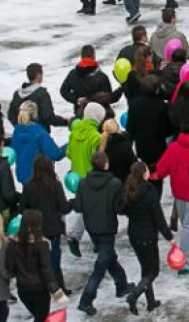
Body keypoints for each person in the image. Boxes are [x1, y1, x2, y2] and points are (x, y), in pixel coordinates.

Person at [75, 152, 131, 315]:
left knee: (108, 258)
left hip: (92, 228)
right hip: (107, 228)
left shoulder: (83, 183)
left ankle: (122, 285)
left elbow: (78, 207)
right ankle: (86, 300)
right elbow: (118, 209)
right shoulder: (115, 183)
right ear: (106, 164)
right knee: (100, 266)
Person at [153, 116, 189, 275]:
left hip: (178, 192)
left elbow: (162, 168)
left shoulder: (173, 148)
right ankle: (185, 263)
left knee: (188, 223)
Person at [121, 162, 172, 314]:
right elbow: (158, 217)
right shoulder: (149, 191)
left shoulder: (129, 190)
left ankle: (151, 302)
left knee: (145, 269)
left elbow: (122, 209)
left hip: (134, 235)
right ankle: (134, 295)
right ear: (144, 173)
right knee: (153, 270)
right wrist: (169, 236)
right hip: (148, 236)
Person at [19, 155, 71, 296]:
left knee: (37, 261)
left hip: (35, 231)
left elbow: (22, 208)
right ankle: (58, 287)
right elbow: (64, 207)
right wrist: (73, 203)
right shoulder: (55, 185)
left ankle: (41, 287)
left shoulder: (28, 186)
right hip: (53, 229)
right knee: (54, 262)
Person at [5, 210, 67, 321]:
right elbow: (46, 269)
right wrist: (56, 292)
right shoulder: (41, 244)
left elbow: (9, 268)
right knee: (41, 318)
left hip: (23, 289)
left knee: (38, 317)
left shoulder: (12, 244)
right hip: (40, 291)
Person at [64, 101, 106, 258]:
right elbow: (98, 158)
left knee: (87, 208)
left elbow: (68, 154)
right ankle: (86, 239)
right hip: (91, 177)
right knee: (94, 210)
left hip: (76, 177)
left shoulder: (74, 133)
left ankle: (83, 238)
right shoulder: (96, 137)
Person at [125, 75, 171, 186]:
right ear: (157, 90)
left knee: (143, 173)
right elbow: (165, 131)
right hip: (157, 147)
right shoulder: (162, 107)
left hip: (141, 146)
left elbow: (130, 127)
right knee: (156, 177)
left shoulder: (134, 105)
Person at [10, 102, 65, 186]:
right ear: (35, 114)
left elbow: (14, 150)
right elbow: (55, 154)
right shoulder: (39, 133)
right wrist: (69, 145)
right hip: (39, 177)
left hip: (23, 175)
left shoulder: (17, 131)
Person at [8, 64, 68, 132]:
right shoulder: (42, 93)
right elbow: (49, 118)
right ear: (38, 75)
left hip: (21, 133)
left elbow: (11, 115)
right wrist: (65, 122)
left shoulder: (17, 94)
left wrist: (20, 127)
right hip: (39, 134)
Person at [60, 46, 113, 114]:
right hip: (99, 113)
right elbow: (109, 97)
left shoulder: (72, 74)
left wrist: (76, 100)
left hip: (80, 112)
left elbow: (63, 91)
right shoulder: (101, 76)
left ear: (81, 57)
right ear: (94, 56)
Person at [99, 119, 135, 186]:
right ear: (118, 128)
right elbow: (132, 163)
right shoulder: (126, 144)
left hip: (109, 182)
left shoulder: (102, 146)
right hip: (124, 181)